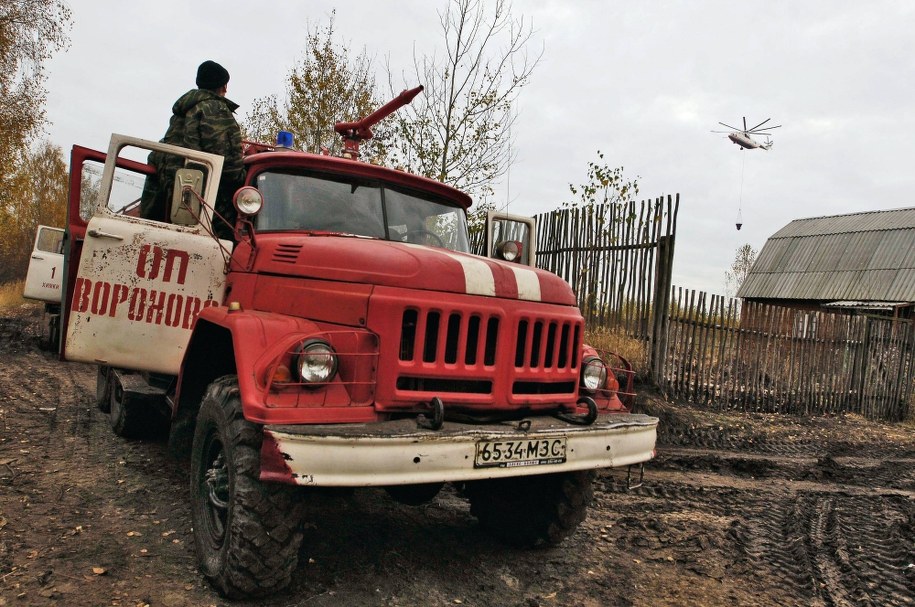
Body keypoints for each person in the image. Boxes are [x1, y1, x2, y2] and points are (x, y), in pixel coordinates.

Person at [140, 60, 245, 239]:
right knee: (233, 238)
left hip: (173, 190)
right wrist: (245, 179)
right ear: (223, 86)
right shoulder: (214, 108)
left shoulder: (182, 111)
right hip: (202, 195)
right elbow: (226, 162)